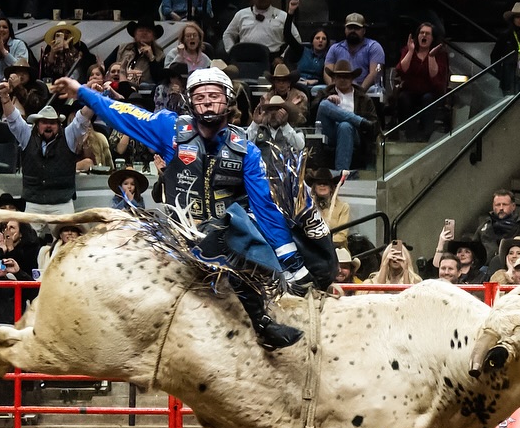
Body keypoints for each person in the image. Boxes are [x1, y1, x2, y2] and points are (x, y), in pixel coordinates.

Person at [51, 68, 332, 350]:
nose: (207, 102)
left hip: (232, 237)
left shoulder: (246, 149)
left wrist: (292, 263)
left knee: (243, 230)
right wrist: (81, 91)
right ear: (190, 102)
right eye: (200, 96)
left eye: (214, 95)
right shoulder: (170, 130)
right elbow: (124, 114)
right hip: (178, 236)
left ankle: (261, 323)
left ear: (228, 100)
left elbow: (265, 207)